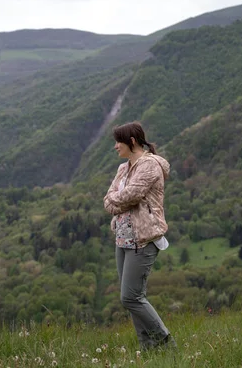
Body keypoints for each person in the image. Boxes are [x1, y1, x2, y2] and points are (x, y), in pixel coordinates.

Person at [103, 121, 176, 350]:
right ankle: (148, 350)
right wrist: (118, 200)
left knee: (130, 297)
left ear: (131, 141)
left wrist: (118, 199)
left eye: (118, 142)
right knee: (133, 300)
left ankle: (165, 341)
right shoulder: (123, 169)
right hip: (122, 239)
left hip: (143, 240)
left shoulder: (150, 166)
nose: (115, 146)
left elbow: (131, 195)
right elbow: (108, 200)